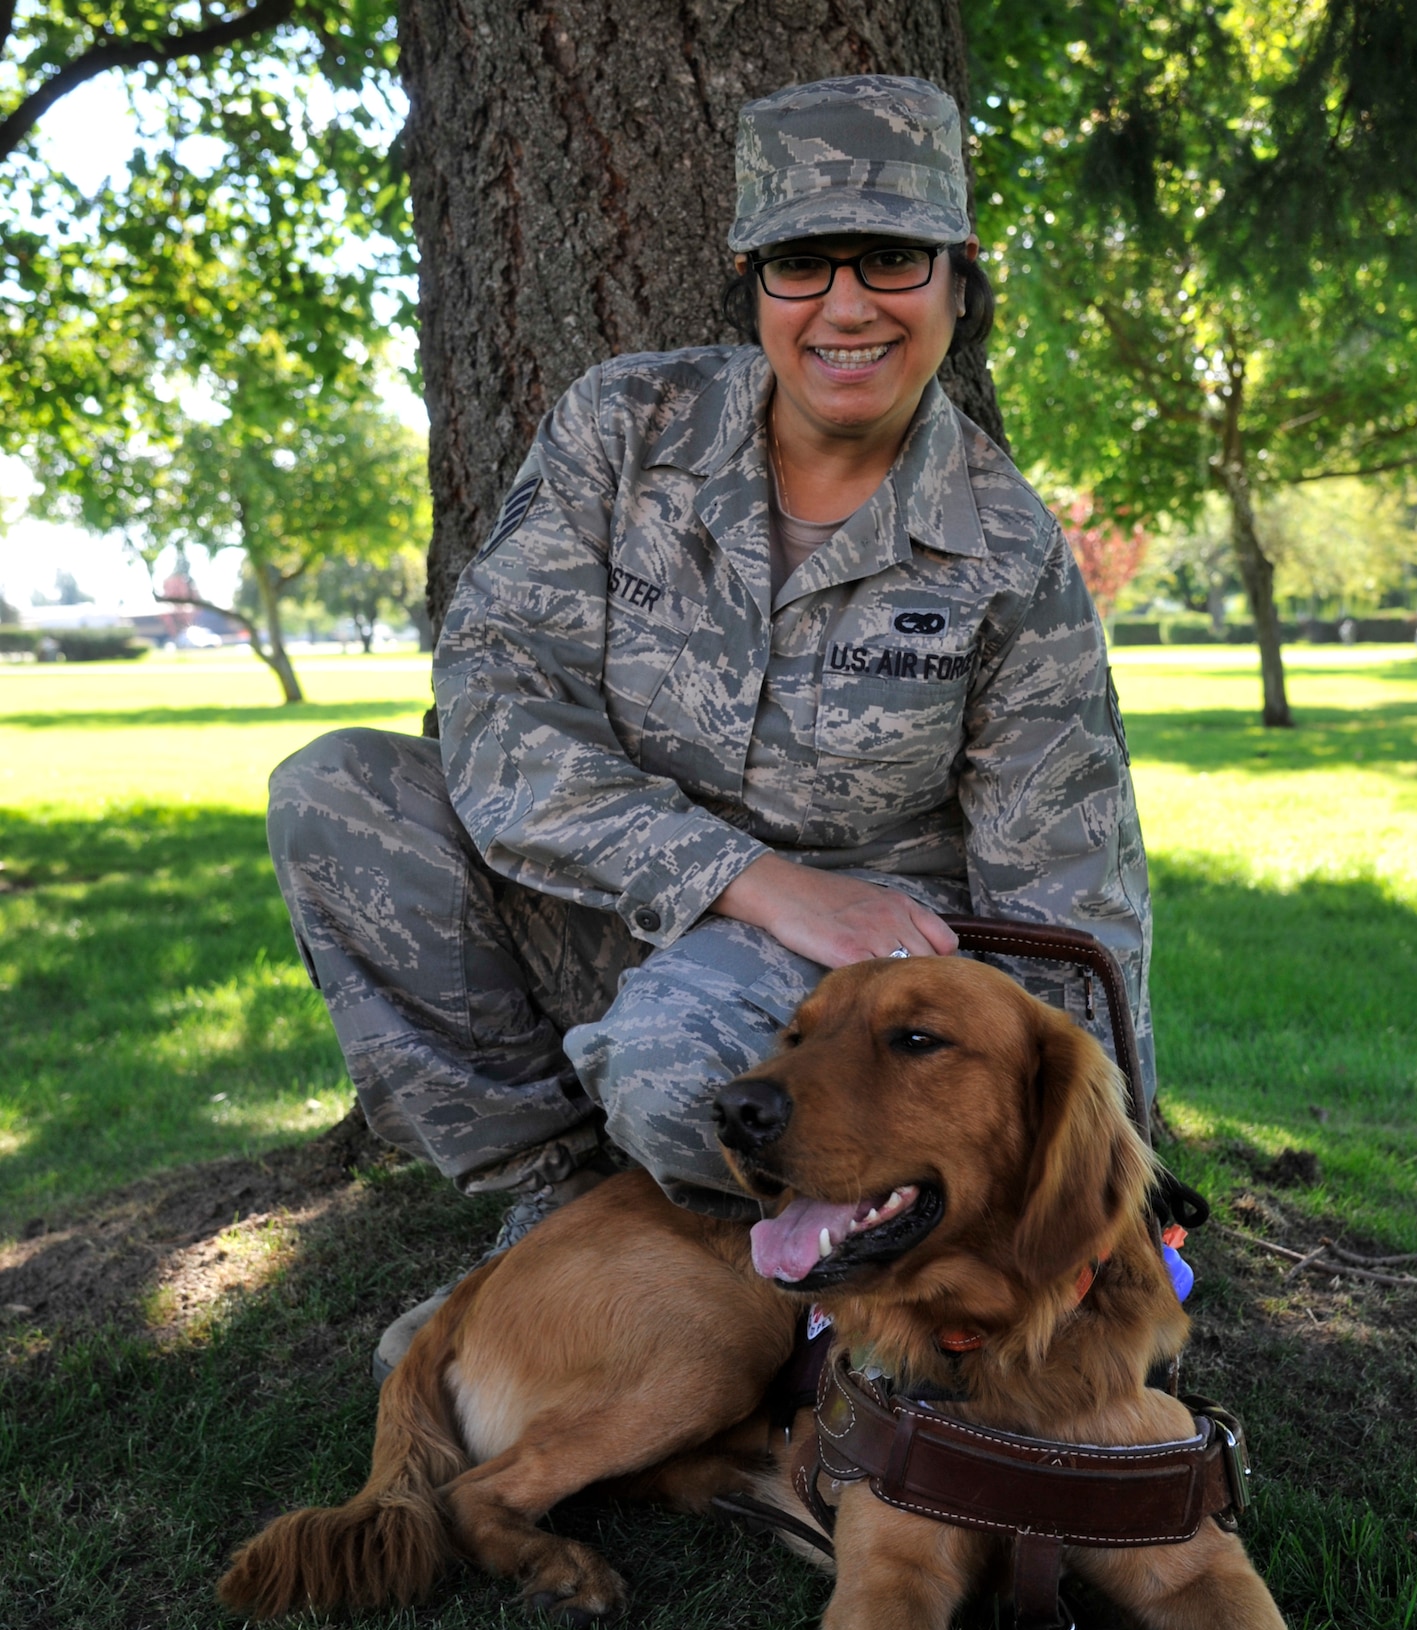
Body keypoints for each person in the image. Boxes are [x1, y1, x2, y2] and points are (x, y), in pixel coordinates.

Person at [266, 74, 1154, 1383]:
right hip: (603, 887)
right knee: (334, 791)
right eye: (803, 261)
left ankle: (826, 1277)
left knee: (685, 1082)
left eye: (893, 259)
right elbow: (498, 707)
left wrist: (1097, 1191)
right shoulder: (624, 430)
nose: (846, 305)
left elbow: (1074, 906)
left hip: (842, 974)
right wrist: (753, 881)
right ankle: (558, 1198)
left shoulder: (1004, 546)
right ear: (754, 281)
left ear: (958, 283)